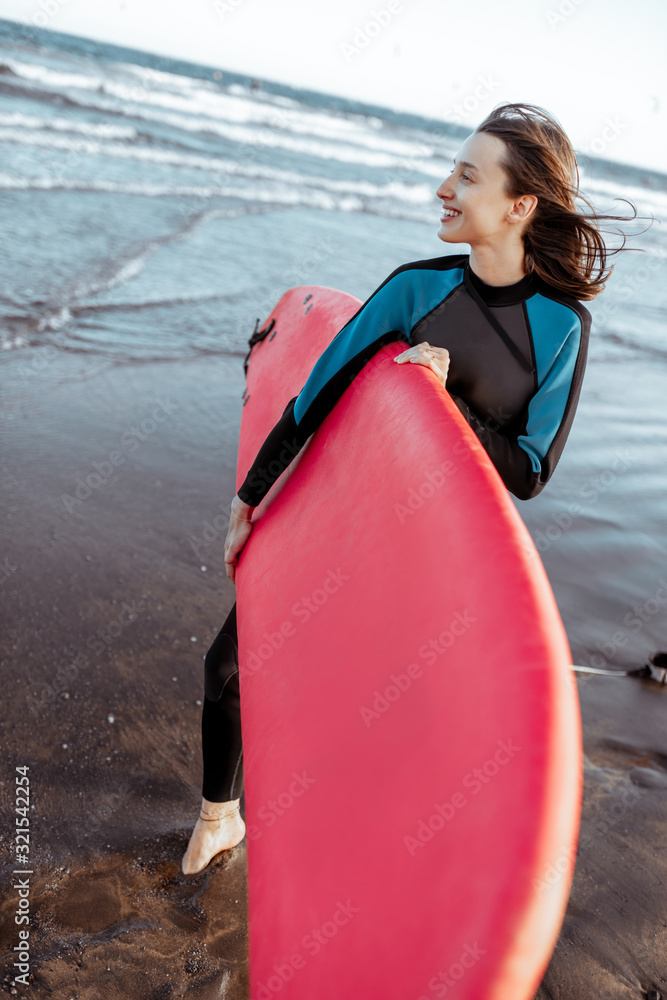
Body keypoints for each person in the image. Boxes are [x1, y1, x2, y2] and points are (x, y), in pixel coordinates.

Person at [181, 102, 639, 875]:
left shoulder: (560, 327)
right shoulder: (413, 289)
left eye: (465, 175)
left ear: (518, 205)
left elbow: (530, 470)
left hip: (430, 557)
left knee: (369, 709)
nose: (441, 188)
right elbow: (312, 398)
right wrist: (247, 500)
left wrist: (445, 402)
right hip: (344, 509)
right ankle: (220, 817)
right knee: (229, 667)